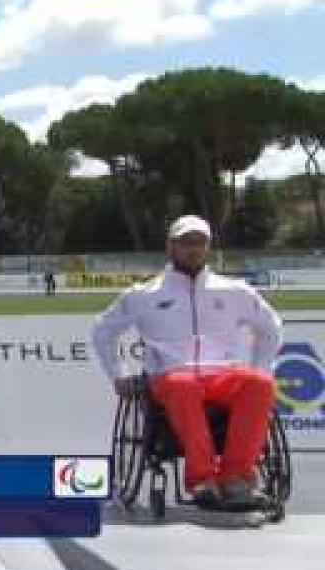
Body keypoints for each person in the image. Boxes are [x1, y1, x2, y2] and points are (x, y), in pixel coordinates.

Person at [91, 215, 281, 511]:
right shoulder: (144, 294)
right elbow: (103, 331)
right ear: (170, 247)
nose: (193, 249)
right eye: (185, 243)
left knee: (259, 384)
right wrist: (118, 374)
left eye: (200, 242)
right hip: (170, 375)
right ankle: (202, 479)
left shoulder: (235, 291)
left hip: (222, 375)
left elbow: (270, 327)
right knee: (184, 385)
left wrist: (260, 367)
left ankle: (235, 478)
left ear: (208, 247)